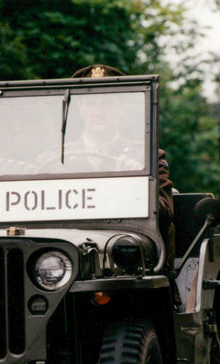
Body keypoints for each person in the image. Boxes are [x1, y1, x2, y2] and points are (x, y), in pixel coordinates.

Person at [70, 64, 176, 274]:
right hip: (66, 261)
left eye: (108, 103)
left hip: (129, 264)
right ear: (80, 109)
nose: (99, 112)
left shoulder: (146, 157)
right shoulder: (59, 159)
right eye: (91, 104)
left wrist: (140, 185)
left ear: (121, 108)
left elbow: (165, 215)